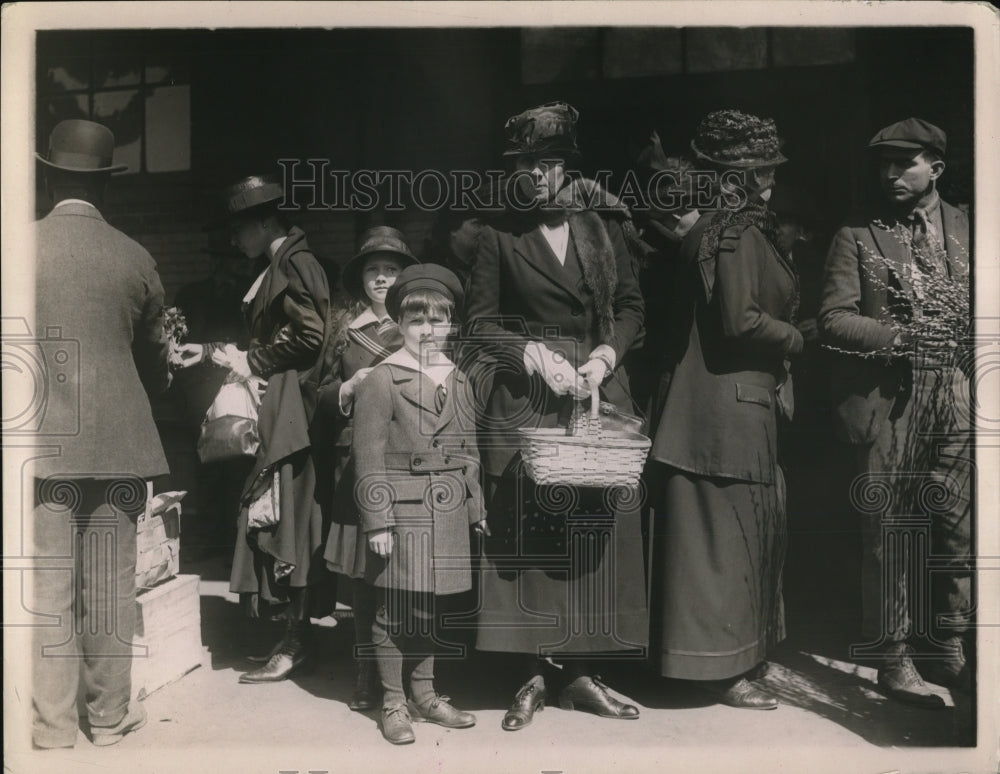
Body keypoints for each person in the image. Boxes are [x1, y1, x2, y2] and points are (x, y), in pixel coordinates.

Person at [465, 101, 647, 730]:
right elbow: (479, 325)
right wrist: (530, 352)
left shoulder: (602, 228)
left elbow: (630, 308)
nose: (536, 175)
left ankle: (582, 674)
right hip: (528, 399)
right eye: (525, 164)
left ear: (568, 168)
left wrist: (606, 354)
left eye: (548, 164)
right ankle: (529, 675)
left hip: (595, 396)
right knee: (528, 537)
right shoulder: (498, 234)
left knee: (590, 531)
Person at [648, 109, 802, 710]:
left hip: (732, 407)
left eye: (768, 171)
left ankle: (738, 659)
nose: (769, 183)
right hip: (721, 408)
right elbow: (739, 321)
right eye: (761, 172)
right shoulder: (732, 231)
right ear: (734, 179)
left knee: (734, 540)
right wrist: (795, 336)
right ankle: (718, 669)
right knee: (720, 543)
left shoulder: (724, 228)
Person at [818, 118, 972, 707]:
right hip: (892, 404)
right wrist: (904, 341)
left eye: (904, 162)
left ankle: (952, 644)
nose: (889, 174)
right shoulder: (857, 235)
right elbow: (832, 318)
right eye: (883, 163)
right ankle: (892, 657)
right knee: (891, 534)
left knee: (957, 526)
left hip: (957, 396)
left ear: (936, 166)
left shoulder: (970, 226)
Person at [31, 119, 171, 747]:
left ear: (47, 177)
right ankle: (109, 718)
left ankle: (53, 727)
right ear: (105, 187)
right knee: (109, 588)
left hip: (41, 447)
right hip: (118, 447)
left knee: (49, 588)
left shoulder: (16, 246)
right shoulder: (134, 256)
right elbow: (154, 360)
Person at [173, 175, 334, 683]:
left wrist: (253, 359)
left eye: (239, 228)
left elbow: (311, 335)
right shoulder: (279, 263)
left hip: (295, 415)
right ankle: (292, 636)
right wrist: (215, 352)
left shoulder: (296, 263)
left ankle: (295, 640)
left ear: (266, 222)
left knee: (289, 521)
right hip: (280, 408)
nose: (234, 240)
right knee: (278, 518)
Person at [352, 264, 487, 744]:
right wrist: (377, 523)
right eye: (416, 321)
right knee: (393, 611)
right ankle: (393, 702)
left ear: (451, 325)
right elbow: (366, 459)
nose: (428, 331)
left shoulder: (461, 380)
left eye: (439, 320)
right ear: (401, 326)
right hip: (402, 511)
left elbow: (471, 454)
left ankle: (426, 695)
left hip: (447, 512)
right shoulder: (383, 380)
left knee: (429, 610)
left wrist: (477, 509)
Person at [315, 226, 418, 711]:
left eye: (392, 270)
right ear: (361, 278)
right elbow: (318, 395)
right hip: (355, 464)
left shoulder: (418, 328)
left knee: (399, 574)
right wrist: (346, 388)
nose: (382, 277)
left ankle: (405, 677)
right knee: (361, 579)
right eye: (374, 269)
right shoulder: (344, 330)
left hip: (404, 463)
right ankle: (364, 672)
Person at [170, 248, 257, 563]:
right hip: (202, 396)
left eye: (236, 261)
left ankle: (234, 540)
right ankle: (210, 537)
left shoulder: (248, 299)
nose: (229, 267)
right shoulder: (193, 295)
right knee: (206, 468)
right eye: (223, 259)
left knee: (239, 465)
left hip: (239, 394)